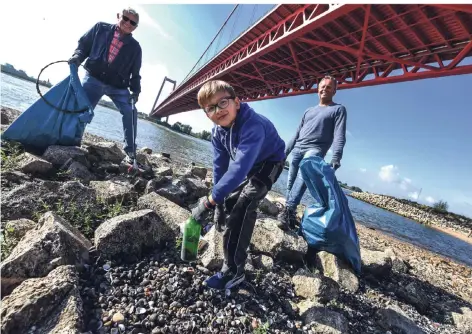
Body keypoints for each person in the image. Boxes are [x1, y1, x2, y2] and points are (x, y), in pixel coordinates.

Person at [191, 80, 286, 290]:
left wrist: (207, 202)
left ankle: (234, 271)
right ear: (206, 114)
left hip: (270, 161)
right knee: (231, 202)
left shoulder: (253, 125)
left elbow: (238, 169)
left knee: (244, 205)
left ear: (237, 102)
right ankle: (234, 239)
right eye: (210, 108)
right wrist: (219, 204)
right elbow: (220, 168)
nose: (218, 110)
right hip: (248, 164)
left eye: (223, 102)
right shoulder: (217, 133)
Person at [68, 8, 142, 162]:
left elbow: (135, 73)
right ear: (118, 16)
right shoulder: (100, 28)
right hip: (94, 78)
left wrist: (135, 91)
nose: (128, 23)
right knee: (83, 108)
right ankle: (73, 141)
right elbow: (83, 46)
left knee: (131, 111)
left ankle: (130, 151)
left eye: (132, 22)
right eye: (125, 18)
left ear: (135, 27)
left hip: (118, 86)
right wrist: (77, 57)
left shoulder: (136, 48)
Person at [277, 75, 347, 231]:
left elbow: (339, 135)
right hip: (298, 148)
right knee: (290, 183)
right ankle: (290, 213)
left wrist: (336, 156)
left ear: (334, 91)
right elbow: (296, 133)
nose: (325, 89)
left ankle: (287, 210)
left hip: (315, 150)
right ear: (318, 89)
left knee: (304, 173)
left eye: (329, 87)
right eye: (322, 86)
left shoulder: (338, 109)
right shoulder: (308, 111)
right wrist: (284, 153)